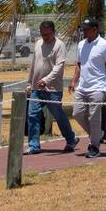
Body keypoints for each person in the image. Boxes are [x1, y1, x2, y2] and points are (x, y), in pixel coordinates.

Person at [24, 21, 78, 154]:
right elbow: (33, 65)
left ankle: (71, 139)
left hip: (53, 89)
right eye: (43, 34)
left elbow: (59, 67)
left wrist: (46, 80)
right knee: (32, 115)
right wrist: (29, 83)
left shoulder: (60, 45)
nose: (45, 37)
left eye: (47, 34)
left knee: (58, 115)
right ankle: (34, 145)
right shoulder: (38, 44)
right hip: (37, 88)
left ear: (53, 32)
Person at [68, 19, 106, 158]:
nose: (84, 31)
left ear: (95, 29)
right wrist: (74, 82)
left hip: (98, 87)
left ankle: (95, 146)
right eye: (83, 29)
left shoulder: (104, 45)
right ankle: (97, 135)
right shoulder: (80, 45)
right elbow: (79, 65)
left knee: (94, 118)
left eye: (86, 29)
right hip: (82, 87)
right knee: (77, 114)